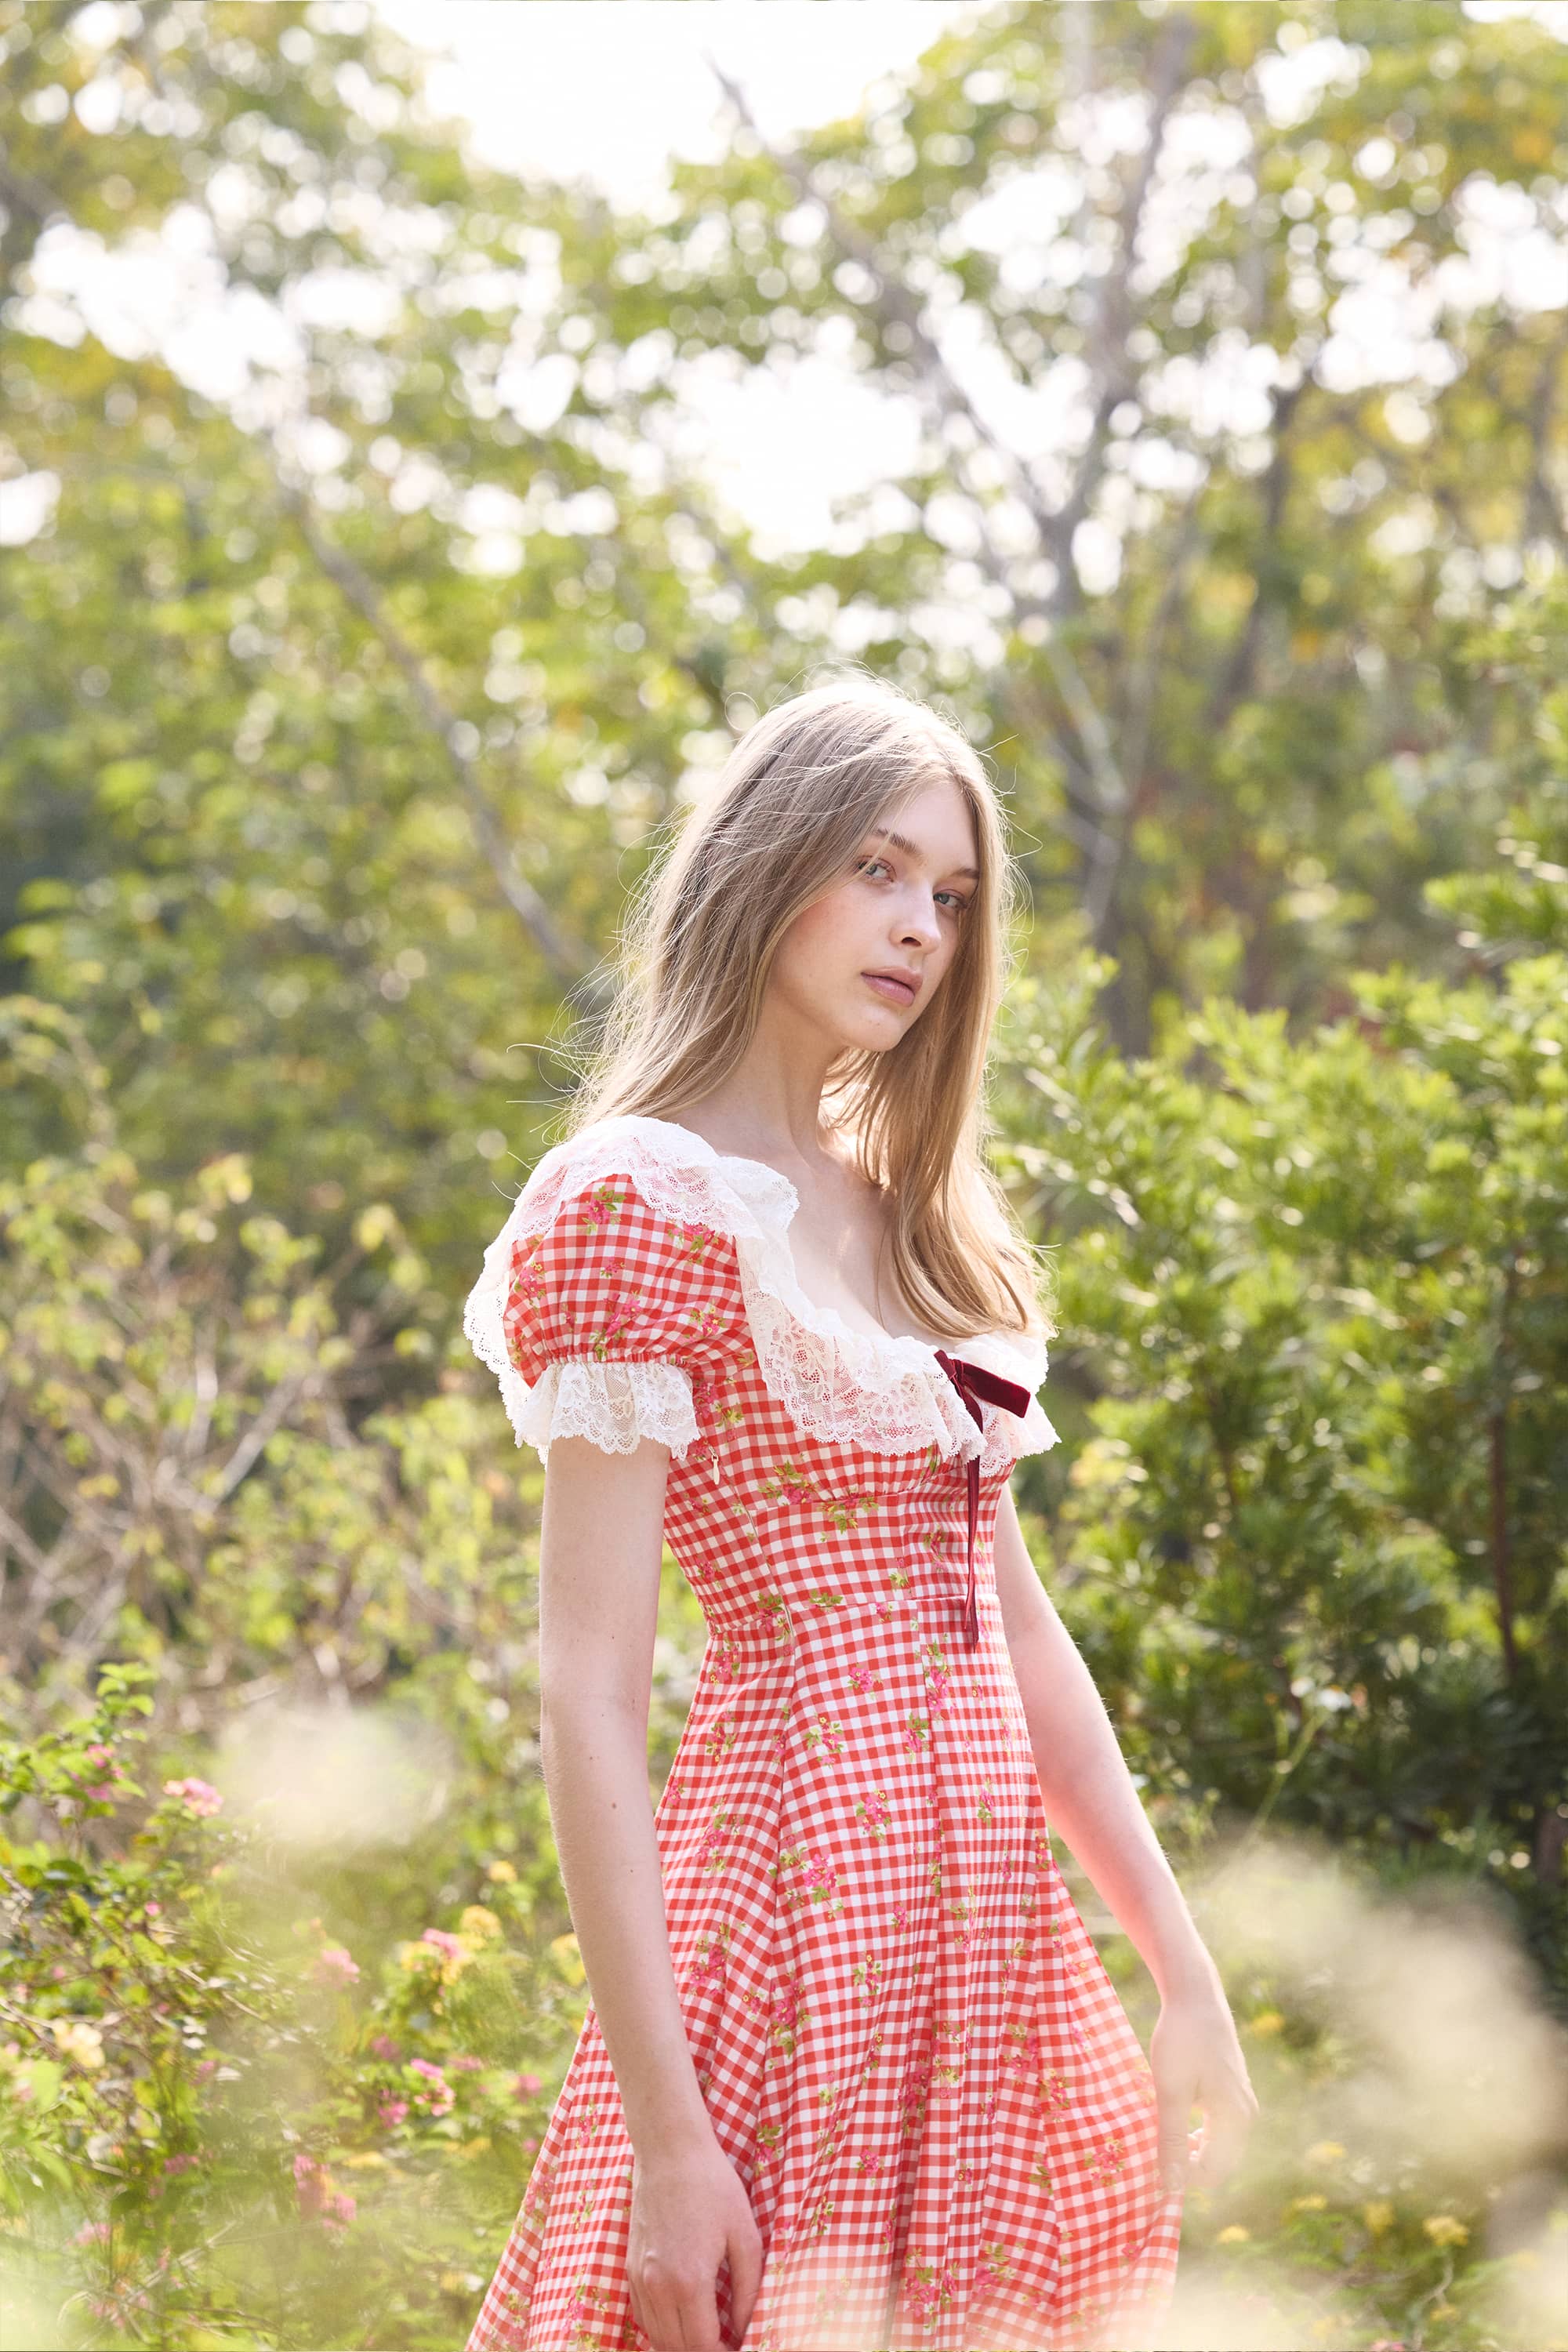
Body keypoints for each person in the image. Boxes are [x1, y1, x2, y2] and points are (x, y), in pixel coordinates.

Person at [462, 671, 1258, 2352]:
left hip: (986, 1935)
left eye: (953, 898)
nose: (921, 930)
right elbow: (589, 1691)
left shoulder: (912, 1219)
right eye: (879, 872)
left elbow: (1015, 1629)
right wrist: (671, 2144)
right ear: (766, 866)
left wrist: (1179, 1970)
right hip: (793, 1904)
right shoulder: (638, 1205)